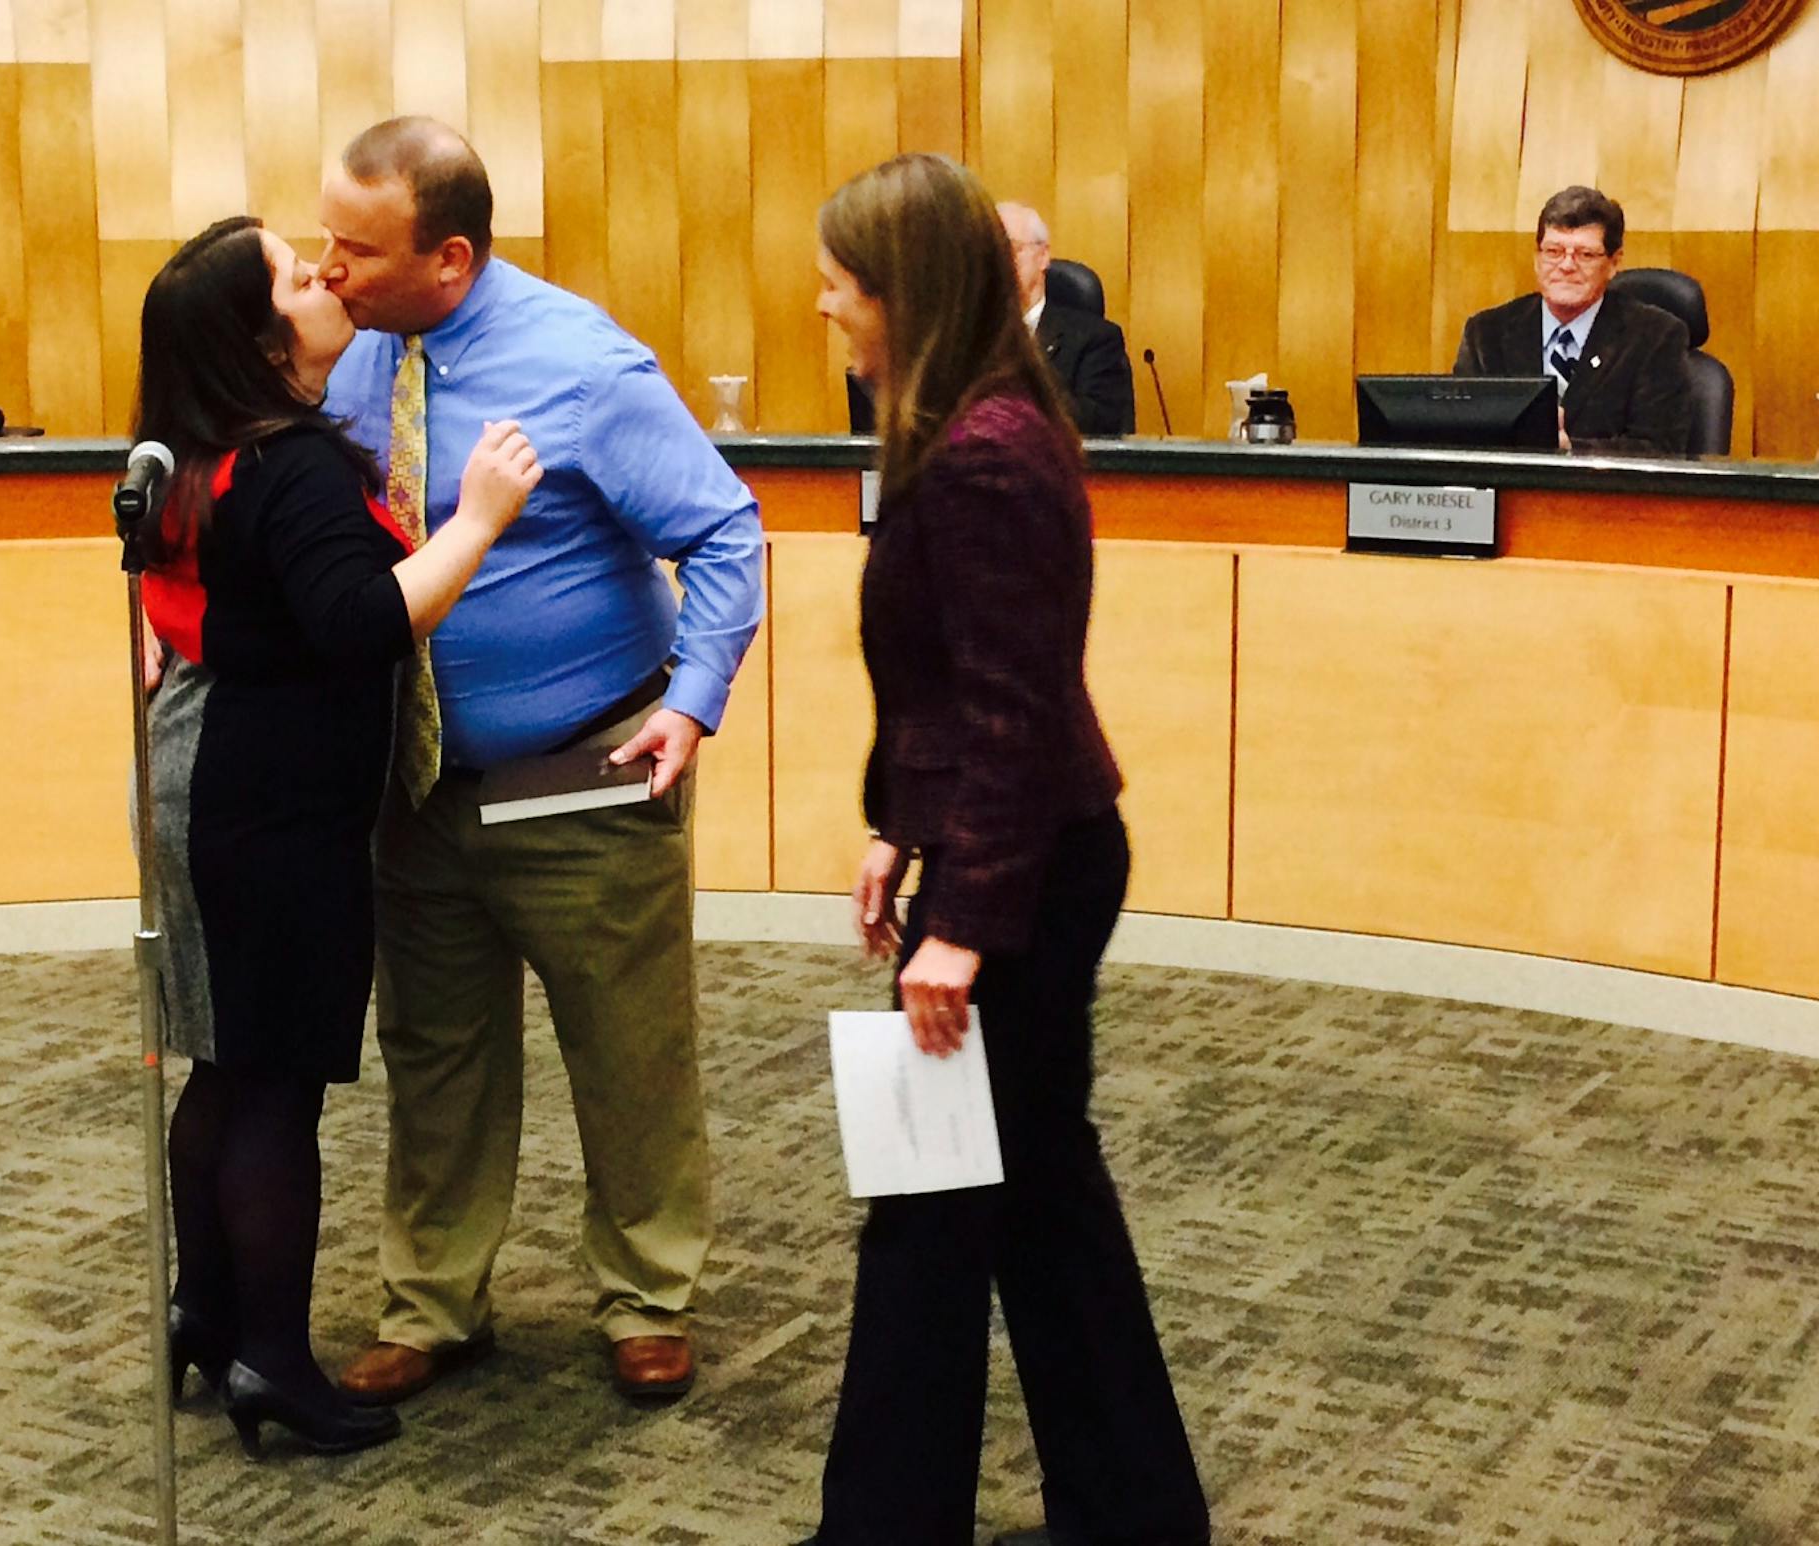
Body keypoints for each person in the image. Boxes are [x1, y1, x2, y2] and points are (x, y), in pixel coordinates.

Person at [312, 117, 765, 1404]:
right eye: (325, 240)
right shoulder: (349, 364)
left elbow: (725, 533)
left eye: (358, 249)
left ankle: (647, 1293)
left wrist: (694, 702)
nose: (329, 269)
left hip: (580, 776)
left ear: (449, 258)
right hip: (416, 786)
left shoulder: (581, 367)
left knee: (628, 1050)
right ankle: (432, 1300)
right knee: (433, 1052)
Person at [799, 154, 1210, 1546]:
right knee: (1038, 1199)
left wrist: (962, 921)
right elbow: (962, 686)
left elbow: (1011, 708)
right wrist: (898, 827)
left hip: (1021, 878)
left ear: (903, 293)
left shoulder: (982, 452)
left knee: (930, 1208)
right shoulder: (974, 421)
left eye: (841, 284)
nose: (825, 306)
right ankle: (1135, 1513)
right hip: (1024, 849)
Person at [134, 216, 540, 1458]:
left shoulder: (202, 449)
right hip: (271, 811)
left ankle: (208, 1309)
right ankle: (272, 1359)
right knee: (274, 1082)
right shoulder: (295, 465)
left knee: (224, 1064)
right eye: (295, 275)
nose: (324, 273)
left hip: (207, 781)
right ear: (261, 341)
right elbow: (363, 621)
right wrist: (479, 519)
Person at [1453, 185, 1692, 455]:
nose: (1566, 266)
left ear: (1614, 263)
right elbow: (1462, 437)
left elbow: (1661, 449)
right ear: (1537, 258)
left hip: (1603, 483)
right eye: (1553, 251)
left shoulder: (1655, 337)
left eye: (1585, 255)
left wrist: (1571, 449)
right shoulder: (1486, 334)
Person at [997, 201, 1134, 437]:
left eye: (1011, 249)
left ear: (1043, 256)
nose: (1000, 261)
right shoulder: (966, 334)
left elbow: (1098, 424)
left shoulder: (1096, 340)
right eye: (992, 252)